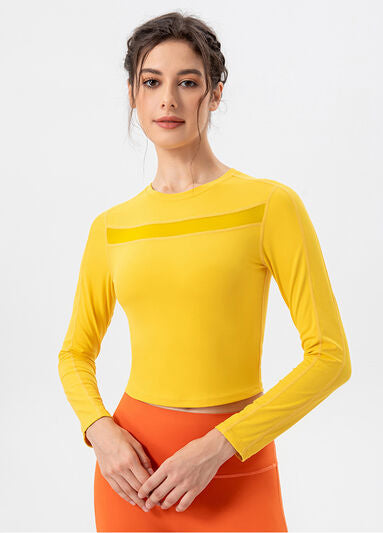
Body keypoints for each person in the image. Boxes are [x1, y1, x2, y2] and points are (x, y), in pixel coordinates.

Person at [57, 11, 351, 533]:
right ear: (133, 95)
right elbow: (75, 353)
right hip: (132, 476)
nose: (168, 100)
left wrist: (219, 446)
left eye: (188, 82)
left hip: (234, 470)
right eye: (152, 82)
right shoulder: (111, 227)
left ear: (214, 94)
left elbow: (330, 357)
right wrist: (100, 431)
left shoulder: (268, 206)